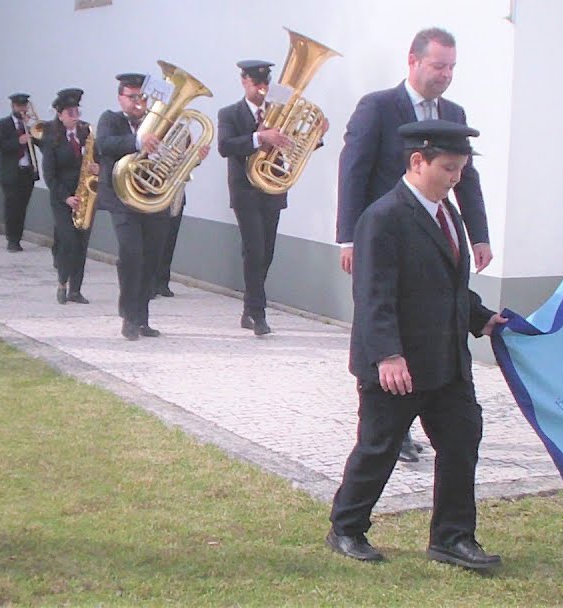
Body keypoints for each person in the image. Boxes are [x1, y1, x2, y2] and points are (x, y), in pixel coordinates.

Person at [327, 119, 506, 571]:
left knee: (462, 442)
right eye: (448, 168)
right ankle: (346, 528)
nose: (456, 178)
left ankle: (452, 537)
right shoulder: (384, 217)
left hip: (447, 364)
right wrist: (387, 354)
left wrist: (482, 320)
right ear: (417, 161)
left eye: (461, 169)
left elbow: (448, 286)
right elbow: (373, 295)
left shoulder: (448, 214)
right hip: (398, 367)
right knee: (378, 448)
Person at [337, 27, 490, 463]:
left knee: (427, 318)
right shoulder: (379, 107)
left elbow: (468, 179)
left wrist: (478, 235)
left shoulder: (454, 113)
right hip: (382, 236)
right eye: (438, 65)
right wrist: (349, 237)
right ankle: (389, 416)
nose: (445, 75)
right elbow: (354, 170)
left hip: (433, 237)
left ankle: (426, 407)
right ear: (414, 61)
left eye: (451, 68)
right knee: (381, 311)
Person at [217, 59, 329, 334]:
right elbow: (225, 146)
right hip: (245, 189)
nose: (262, 89)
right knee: (254, 249)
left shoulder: (283, 111)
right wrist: (259, 137)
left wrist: (316, 135)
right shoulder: (230, 113)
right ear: (244, 82)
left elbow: (295, 149)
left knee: (266, 251)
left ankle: (249, 308)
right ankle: (258, 313)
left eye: (266, 84)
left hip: (273, 189)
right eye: (256, 84)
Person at [97, 72, 208, 339]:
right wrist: (137, 142)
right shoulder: (110, 119)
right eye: (132, 97)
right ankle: (128, 315)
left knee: (152, 259)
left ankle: (142, 318)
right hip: (122, 199)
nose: (138, 103)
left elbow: (176, 160)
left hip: (155, 199)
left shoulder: (164, 124)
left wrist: (194, 157)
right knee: (131, 255)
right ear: (120, 98)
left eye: (142, 97)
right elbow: (105, 145)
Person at [42, 88, 95, 305]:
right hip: (62, 199)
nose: (75, 116)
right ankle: (62, 282)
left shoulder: (86, 134)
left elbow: (98, 158)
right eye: (70, 112)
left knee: (82, 243)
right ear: (60, 114)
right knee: (69, 241)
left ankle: (76, 290)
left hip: (85, 197)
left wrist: (98, 168)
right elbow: (49, 175)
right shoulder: (51, 138)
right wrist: (66, 198)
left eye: (77, 111)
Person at [0, 92, 40, 251]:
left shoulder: (30, 125)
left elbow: (42, 140)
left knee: (22, 206)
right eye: (19, 106)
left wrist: (33, 127)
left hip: (27, 171)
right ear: (13, 106)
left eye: (24, 106)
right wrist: (18, 142)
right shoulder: (3, 124)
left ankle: (17, 237)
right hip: (11, 172)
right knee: (12, 207)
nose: (22, 109)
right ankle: (12, 240)